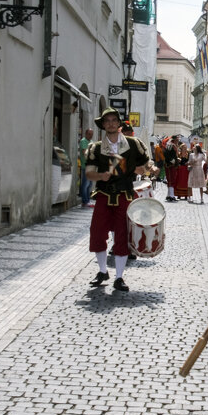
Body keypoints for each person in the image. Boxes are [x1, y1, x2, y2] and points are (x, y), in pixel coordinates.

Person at [86, 107, 149, 291]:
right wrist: (100, 176)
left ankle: (119, 277)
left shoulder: (133, 144)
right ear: (103, 125)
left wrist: (144, 169)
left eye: (114, 120)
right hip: (104, 195)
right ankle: (102, 271)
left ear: (119, 123)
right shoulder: (96, 148)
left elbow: (146, 164)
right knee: (97, 232)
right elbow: (89, 173)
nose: (111, 123)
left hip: (124, 195)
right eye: (107, 121)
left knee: (122, 234)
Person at [78, 126, 94, 206]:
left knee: (89, 184)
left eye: (92, 134)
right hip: (86, 166)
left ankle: (87, 200)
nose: (91, 136)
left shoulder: (91, 141)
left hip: (91, 166)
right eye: (89, 134)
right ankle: (84, 201)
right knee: (85, 184)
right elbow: (85, 153)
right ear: (86, 134)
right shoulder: (83, 141)